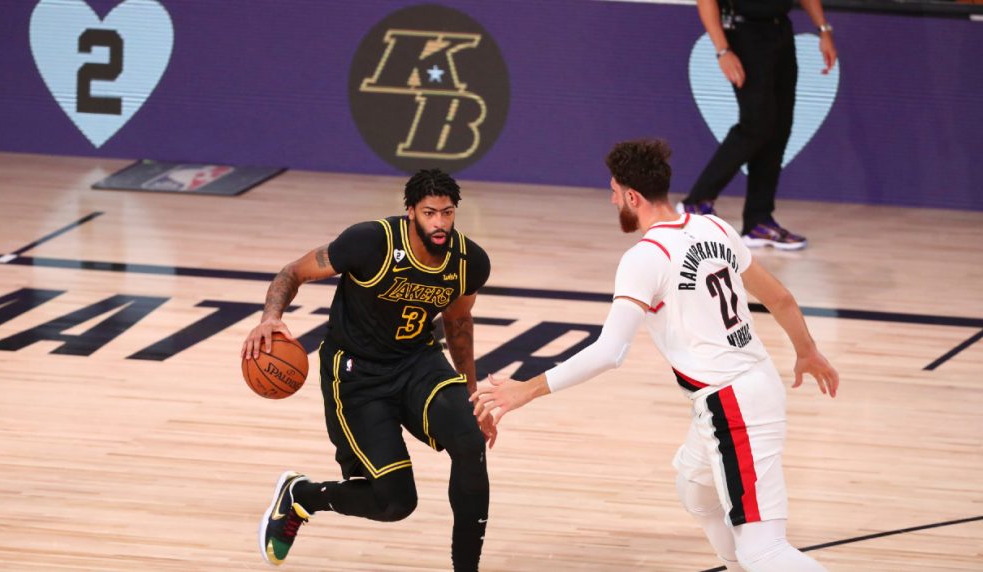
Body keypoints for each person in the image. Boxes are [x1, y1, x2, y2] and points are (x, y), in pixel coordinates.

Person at [472, 139, 839, 571]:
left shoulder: (646, 257)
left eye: (614, 191)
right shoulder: (714, 227)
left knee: (764, 549)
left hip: (732, 404)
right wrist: (807, 351)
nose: (612, 200)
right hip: (752, 383)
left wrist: (527, 390)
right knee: (694, 489)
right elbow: (780, 298)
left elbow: (610, 351)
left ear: (633, 196)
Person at [242, 169, 494, 571]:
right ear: (410, 211)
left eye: (447, 213)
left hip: (418, 362)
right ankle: (301, 496)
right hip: (357, 374)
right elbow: (294, 271)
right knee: (395, 502)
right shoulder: (370, 242)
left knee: (470, 442)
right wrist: (271, 317)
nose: (440, 223)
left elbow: (459, 321)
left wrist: (470, 393)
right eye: (429, 213)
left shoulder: (469, 261)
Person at [677, 0, 838, 250]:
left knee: (779, 127)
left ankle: (758, 222)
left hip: (781, 31)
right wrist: (723, 50)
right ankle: (697, 201)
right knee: (757, 124)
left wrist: (823, 29)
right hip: (744, 33)